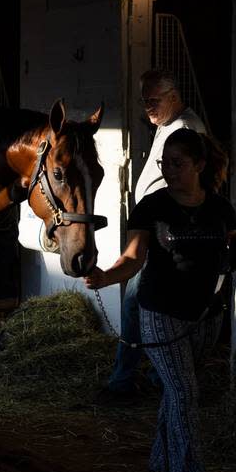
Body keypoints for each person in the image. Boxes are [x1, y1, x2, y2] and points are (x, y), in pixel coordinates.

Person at [84, 128, 236, 472]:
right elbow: (134, 258)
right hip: (159, 312)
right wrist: (107, 276)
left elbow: (235, 241)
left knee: (177, 394)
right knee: (185, 392)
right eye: (164, 163)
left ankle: (160, 466)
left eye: (178, 164)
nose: (169, 170)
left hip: (205, 314)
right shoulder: (154, 206)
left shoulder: (220, 208)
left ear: (199, 165)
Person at [97, 70, 207, 404]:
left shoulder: (185, 130)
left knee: (136, 304)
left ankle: (126, 382)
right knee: (144, 306)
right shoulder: (167, 127)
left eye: (153, 100)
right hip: (159, 231)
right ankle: (153, 378)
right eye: (144, 101)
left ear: (173, 95)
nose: (147, 108)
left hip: (166, 234)